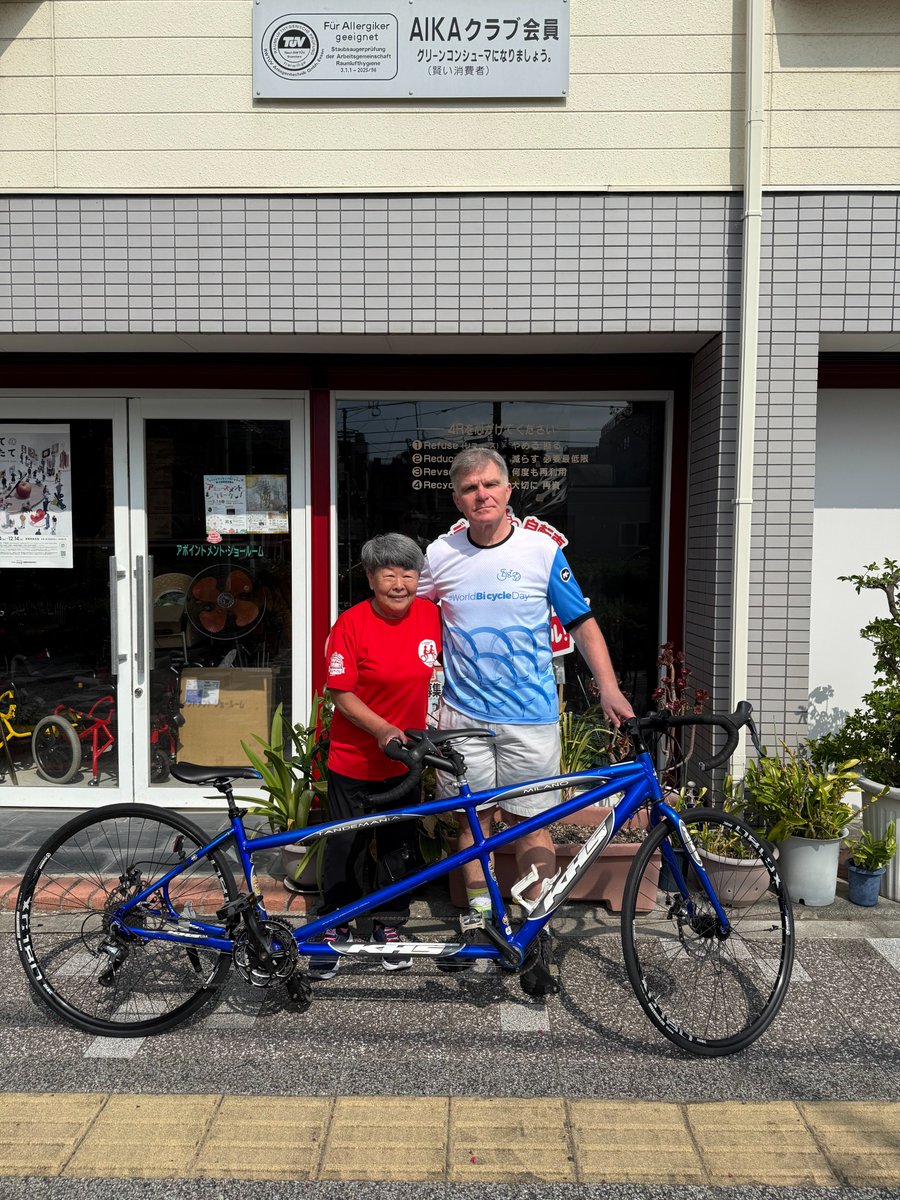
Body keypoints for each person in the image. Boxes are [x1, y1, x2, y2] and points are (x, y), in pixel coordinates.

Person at [417, 446, 634, 995]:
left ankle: (533, 927)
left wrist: (607, 687)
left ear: (509, 490)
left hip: (531, 718)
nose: (481, 495)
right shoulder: (439, 554)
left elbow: (581, 622)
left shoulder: (542, 550)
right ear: (457, 497)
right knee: (472, 824)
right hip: (461, 718)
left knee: (533, 823)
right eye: (470, 488)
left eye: (490, 485)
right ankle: (479, 924)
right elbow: (407, 616)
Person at [308, 532, 441, 978]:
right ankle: (334, 924)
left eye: (408, 573)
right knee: (345, 842)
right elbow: (340, 693)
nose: (400, 583)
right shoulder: (351, 624)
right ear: (370, 578)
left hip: (407, 763)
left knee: (399, 844)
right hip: (354, 759)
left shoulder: (431, 616)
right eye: (390, 574)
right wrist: (383, 728)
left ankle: (390, 925)